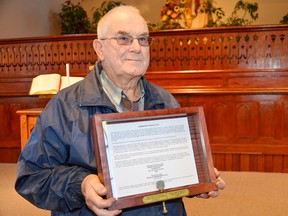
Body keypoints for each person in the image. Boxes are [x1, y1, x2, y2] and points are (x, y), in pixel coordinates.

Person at [15, 5, 225, 216]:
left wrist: (199, 179)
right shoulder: (64, 106)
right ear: (99, 48)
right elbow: (31, 177)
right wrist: (81, 184)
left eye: (143, 39)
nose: (136, 47)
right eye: (124, 38)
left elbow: (172, 169)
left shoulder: (166, 101)